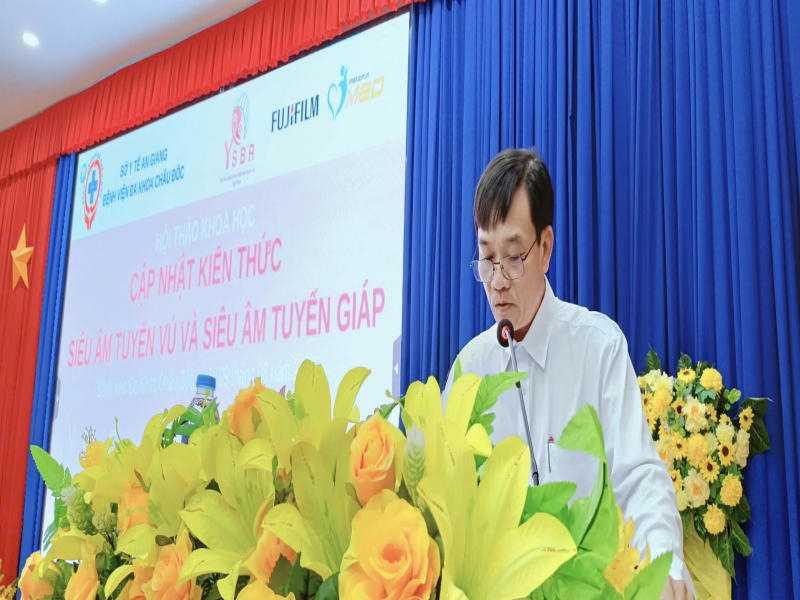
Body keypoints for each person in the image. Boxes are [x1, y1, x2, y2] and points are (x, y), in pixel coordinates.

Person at [443, 148, 695, 599]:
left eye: (513, 256)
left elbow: (638, 476)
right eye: (486, 257)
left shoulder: (598, 348)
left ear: (545, 247)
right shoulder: (469, 369)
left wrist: (664, 562)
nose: (497, 280)